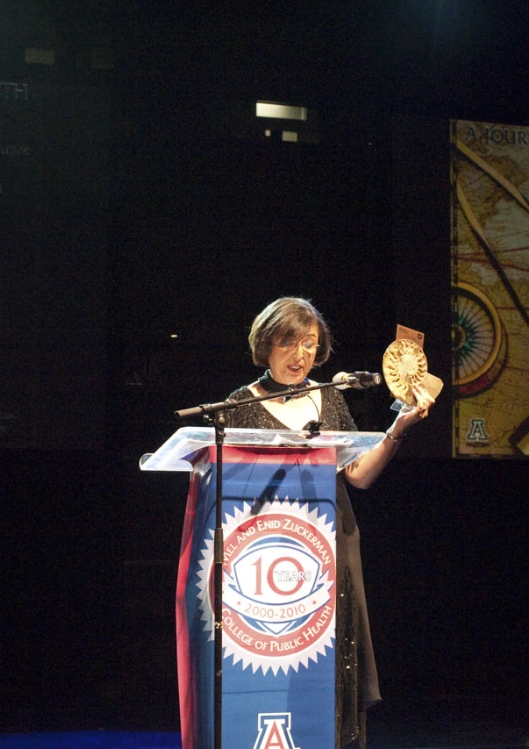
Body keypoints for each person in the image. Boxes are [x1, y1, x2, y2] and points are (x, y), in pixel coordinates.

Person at [222, 296, 435, 749]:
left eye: (310, 345)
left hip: (331, 544)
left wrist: (399, 427)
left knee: (331, 660)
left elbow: (359, 475)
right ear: (266, 344)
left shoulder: (328, 398)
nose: (300, 355)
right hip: (266, 556)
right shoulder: (236, 407)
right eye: (289, 343)